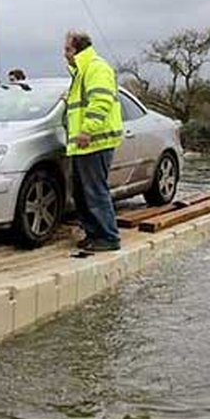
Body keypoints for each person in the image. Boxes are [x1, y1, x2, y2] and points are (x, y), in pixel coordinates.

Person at [63, 30, 124, 252]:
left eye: (67, 49)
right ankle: (94, 235)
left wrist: (88, 130)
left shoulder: (96, 67)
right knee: (82, 192)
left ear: (78, 49)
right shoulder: (81, 72)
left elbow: (100, 101)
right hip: (84, 144)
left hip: (94, 141)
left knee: (94, 191)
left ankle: (108, 237)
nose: (65, 54)